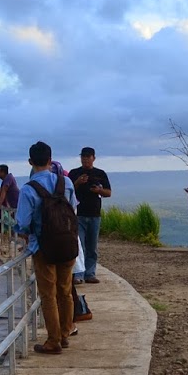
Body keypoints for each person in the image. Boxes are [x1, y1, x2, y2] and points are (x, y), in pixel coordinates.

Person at [14, 141, 76, 354]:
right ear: (51, 160)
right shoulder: (66, 182)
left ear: (30, 162)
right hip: (67, 244)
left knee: (48, 295)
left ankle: (53, 340)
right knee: (65, 290)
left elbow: (22, 222)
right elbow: (73, 209)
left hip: (43, 248)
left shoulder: (28, 190)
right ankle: (65, 334)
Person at [69, 147, 112, 284]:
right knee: (79, 245)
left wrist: (99, 190)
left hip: (94, 213)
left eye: (88, 157)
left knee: (92, 246)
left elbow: (108, 193)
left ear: (94, 158)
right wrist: (77, 182)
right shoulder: (74, 173)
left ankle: (90, 273)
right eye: (83, 157)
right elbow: (68, 190)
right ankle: (78, 275)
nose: (85, 159)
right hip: (78, 213)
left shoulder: (100, 173)